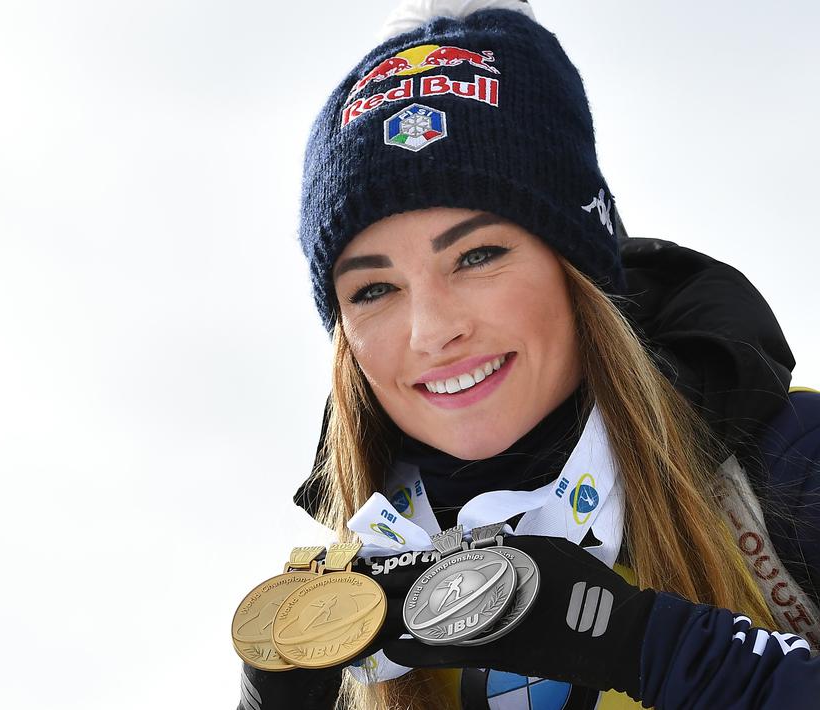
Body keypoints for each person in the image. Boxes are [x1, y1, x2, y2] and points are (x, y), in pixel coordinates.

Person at [235, 3, 820, 709]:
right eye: (374, 288)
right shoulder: (341, 611)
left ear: (580, 270)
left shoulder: (792, 471)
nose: (431, 330)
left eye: (477, 255)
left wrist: (652, 649)